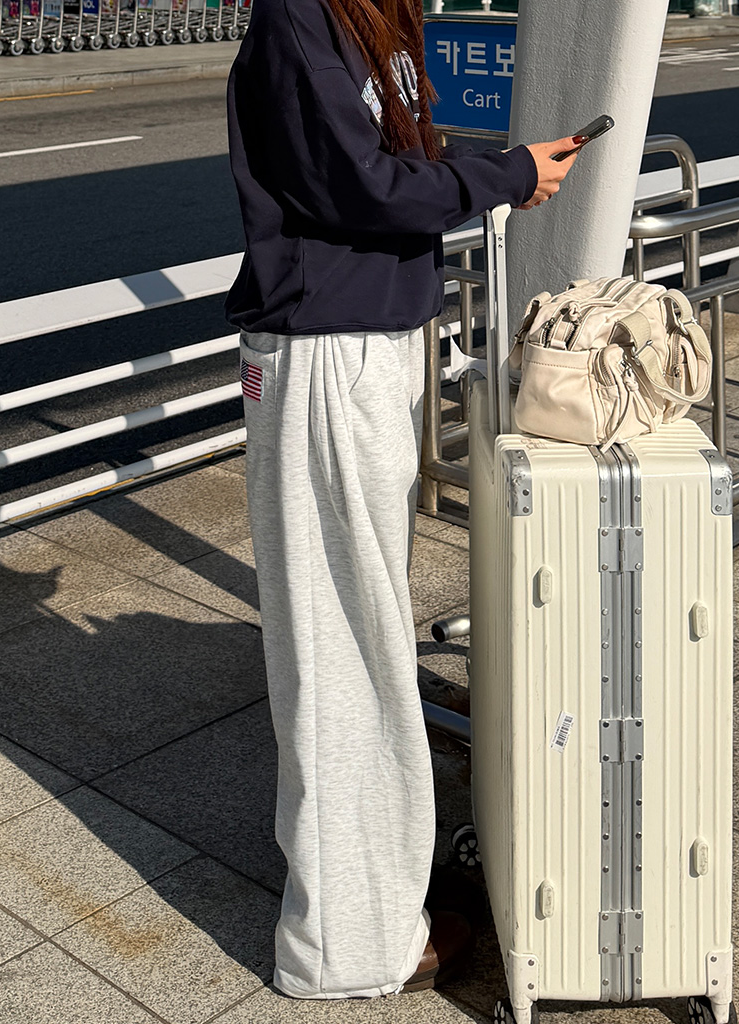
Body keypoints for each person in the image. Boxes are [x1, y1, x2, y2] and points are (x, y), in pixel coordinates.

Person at [225, 0, 577, 1001]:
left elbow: (390, 164)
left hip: (359, 353)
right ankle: (346, 946)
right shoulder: (301, 20)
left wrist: (498, 169)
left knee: (356, 640)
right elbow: (362, 186)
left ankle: (365, 901)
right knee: (341, 648)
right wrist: (506, 176)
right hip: (324, 359)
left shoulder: (364, 19)